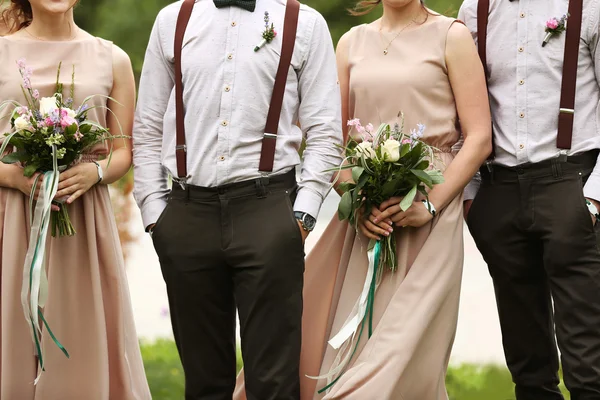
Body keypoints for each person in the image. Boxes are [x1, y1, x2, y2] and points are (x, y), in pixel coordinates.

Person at [271, 0, 492, 398]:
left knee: (401, 355)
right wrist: (355, 200)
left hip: (430, 218)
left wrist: (429, 204)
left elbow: (478, 139)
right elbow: (331, 140)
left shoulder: (452, 36)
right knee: (332, 348)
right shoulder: (351, 43)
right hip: (363, 219)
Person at [132, 0, 343, 398]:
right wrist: (155, 214)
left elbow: (326, 132)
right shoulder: (172, 20)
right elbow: (146, 126)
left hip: (268, 210)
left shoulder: (304, 23)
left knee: (274, 383)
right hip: (186, 215)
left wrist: (303, 215)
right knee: (204, 382)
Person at [0, 1, 151, 399]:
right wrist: (13, 177)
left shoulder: (111, 57)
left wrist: (95, 172)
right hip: (10, 214)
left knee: (79, 326)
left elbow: (124, 150)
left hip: (82, 216)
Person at [459, 0, 600, 399]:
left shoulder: (588, 6)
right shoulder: (474, 10)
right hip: (498, 191)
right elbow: (463, 110)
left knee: (588, 357)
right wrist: (474, 199)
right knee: (527, 364)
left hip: (570, 181)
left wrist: (593, 200)